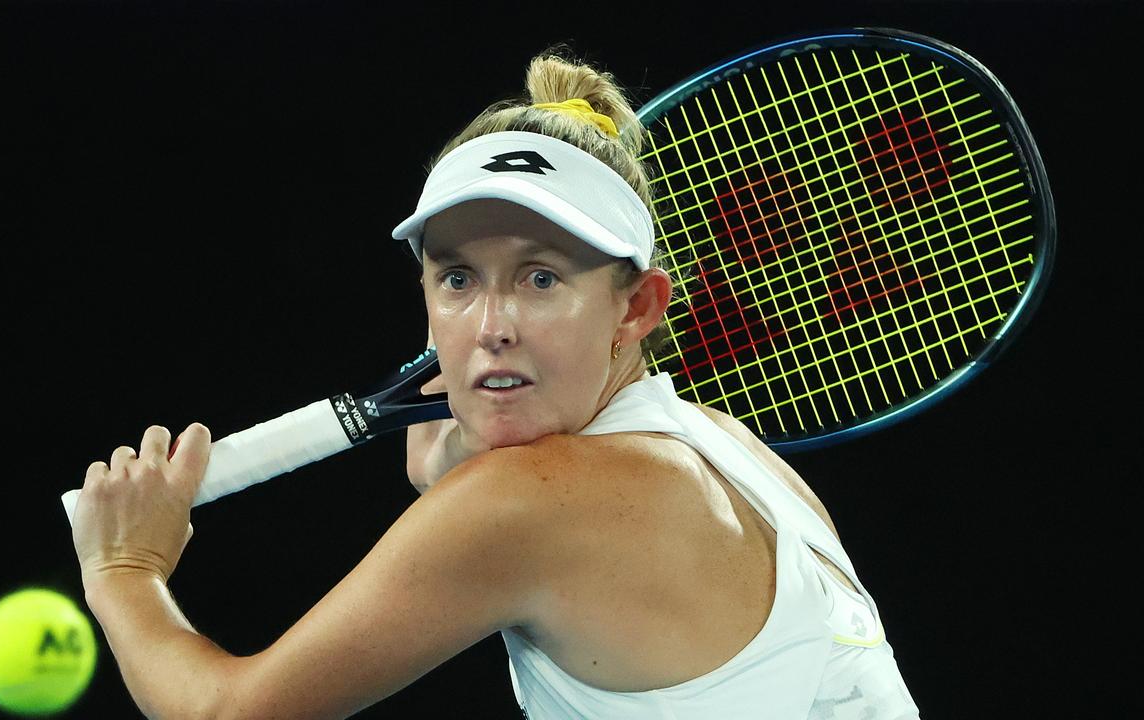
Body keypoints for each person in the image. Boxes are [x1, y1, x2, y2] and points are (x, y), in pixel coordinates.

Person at [71, 49, 921, 719]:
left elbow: (228, 712)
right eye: (459, 279)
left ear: (637, 309)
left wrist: (125, 571)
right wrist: (456, 473)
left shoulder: (524, 503)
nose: (492, 324)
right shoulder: (729, 450)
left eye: (542, 278)